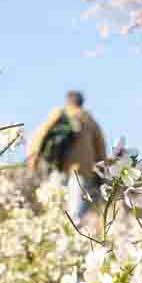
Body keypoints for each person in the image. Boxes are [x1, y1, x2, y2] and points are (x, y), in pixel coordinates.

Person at [26, 90, 108, 221]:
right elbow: (101, 148)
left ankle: (54, 230)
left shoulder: (58, 113)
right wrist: (103, 175)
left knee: (53, 206)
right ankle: (72, 233)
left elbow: (40, 134)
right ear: (82, 102)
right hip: (82, 169)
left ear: (68, 101)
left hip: (58, 165)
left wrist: (32, 157)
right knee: (75, 213)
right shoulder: (88, 119)